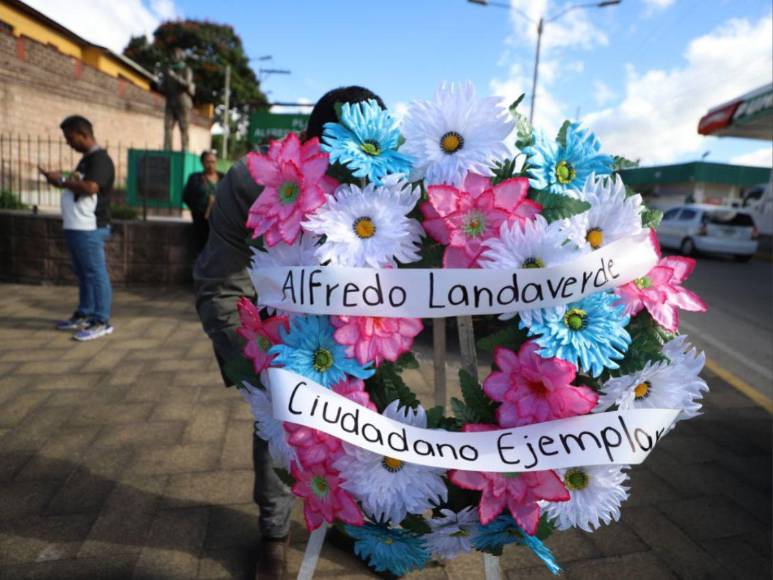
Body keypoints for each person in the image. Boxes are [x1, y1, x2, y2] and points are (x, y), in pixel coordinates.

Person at [194, 86, 385, 580]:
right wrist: (252, 360)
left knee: (372, 418)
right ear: (307, 144)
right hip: (277, 324)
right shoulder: (246, 184)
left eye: (360, 165)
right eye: (331, 161)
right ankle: (273, 535)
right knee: (279, 425)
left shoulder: (389, 179)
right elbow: (220, 281)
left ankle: (358, 521)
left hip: (359, 326)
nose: (345, 179)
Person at [39, 115, 115, 342]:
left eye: (70, 137)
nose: (67, 142)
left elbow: (91, 187)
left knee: (95, 274)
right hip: (77, 226)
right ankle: (85, 313)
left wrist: (60, 180)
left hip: (89, 228)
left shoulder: (100, 160)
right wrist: (62, 179)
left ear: (84, 135)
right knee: (83, 274)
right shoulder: (86, 160)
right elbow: (80, 184)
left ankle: (101, 320)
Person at [182, 150, 223, 254]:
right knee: (201, 248)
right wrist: (199, 208)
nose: (211, 165)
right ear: (202, 163)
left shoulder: (223, 177)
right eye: (208, 162)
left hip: (220, 221)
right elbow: (186, 196)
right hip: (201, 220)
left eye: (213, 162)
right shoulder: (195, 178)